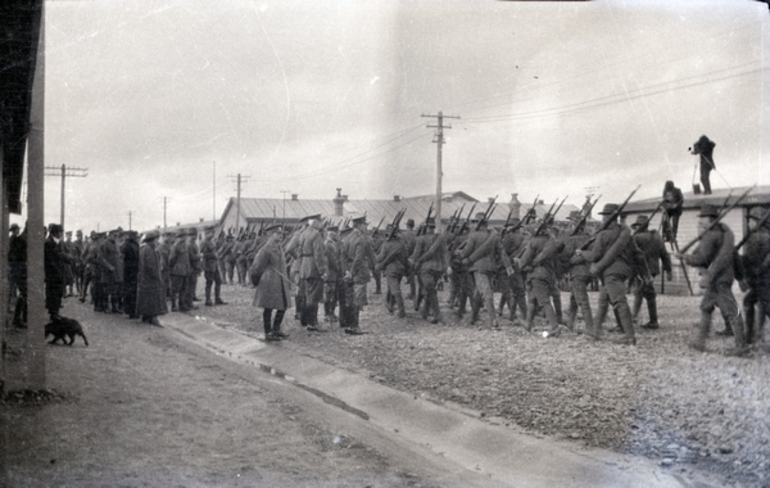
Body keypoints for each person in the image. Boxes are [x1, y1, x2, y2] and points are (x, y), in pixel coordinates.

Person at [674, 204, 748, 356]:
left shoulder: (710, 235)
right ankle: (700, 342)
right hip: (722, 278)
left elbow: (702, 258)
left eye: (703, 218)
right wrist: (740, 277)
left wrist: (685, 257)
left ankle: (742, 347)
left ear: (710, 220)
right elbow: (735, 257)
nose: (700, 221)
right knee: (706, 307)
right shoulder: (724, 235)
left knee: (732, 310)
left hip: (718, 279)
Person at [575, 203, 636, 345]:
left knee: (619, 301)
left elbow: (595, 256)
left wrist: (582, 253)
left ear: (607, 217)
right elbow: (636, 253)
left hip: (610, 272)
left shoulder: (603, 234)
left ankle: (629, 336)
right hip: (624, 270)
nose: (602, 220)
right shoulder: (625, 233)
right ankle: (595, 330)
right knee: (603, 300)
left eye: (604, 217)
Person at [459, 213, 513, 328]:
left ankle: (493, 320)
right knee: (479, 292)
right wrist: (508, 266)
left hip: (478, 267)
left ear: (477, 223)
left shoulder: (474, 236)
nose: (473, 224)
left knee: (486, 293)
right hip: (491, 268)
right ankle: (473, 318)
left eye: (474, 222)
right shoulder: (493, 236)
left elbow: (466, 252)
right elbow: (501, 252)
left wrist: (461, 255)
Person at [249, 224, 292, 341]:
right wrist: (256, 281)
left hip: (280, 282)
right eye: (277, 234)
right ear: (270, 235)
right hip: (269, 282)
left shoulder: (279, 247)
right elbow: (257, 267)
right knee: (268, 307)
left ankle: (276, 329)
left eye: (281, 234)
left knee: (283, 305)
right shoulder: (266, 249)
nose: (280, 236)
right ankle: (268, 332)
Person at [630, 215, 672, 329]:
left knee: (646, 293)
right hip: (652, 270)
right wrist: (668, 270)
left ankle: (652, 321)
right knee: (642, 292)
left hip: (641, 270)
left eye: (637, 226)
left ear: (640, 226)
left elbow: (631, 254)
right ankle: (635, 317)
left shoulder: (637, 238)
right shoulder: (657, 237)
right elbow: (665, 255)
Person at [737, 206, 770, 346]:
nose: (748, 223)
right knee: (751, 302)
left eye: (750, 220)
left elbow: (752, 259)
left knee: (759, 305)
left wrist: (738, 259)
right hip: (763, 278)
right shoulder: (766, 235)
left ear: (757, 221)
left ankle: (751, 337)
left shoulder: (756, 237)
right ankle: (752, 337)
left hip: (762, 279)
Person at [409, 217, 449, 324]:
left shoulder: (421, 239)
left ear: (425, 227)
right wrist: (447, 267)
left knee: (430, 291)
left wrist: (414, 262)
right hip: (438, 268)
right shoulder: (440, 238)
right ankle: (425, 311)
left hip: (425, 268)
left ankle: (437, 314)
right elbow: (445, 253)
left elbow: (416, 255)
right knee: (429, 289)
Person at [560, 211, 594, 334]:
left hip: (577, 272)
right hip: (588, 271)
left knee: (582, 300)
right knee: (574, 298)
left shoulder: (572, 239)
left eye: (572, 222)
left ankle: (591, 328)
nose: (570, 225)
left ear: (575, 224)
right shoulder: (590, 237)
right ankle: (570, 324)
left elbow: (565, 257)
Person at [297, 215, 328, 331]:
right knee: (314, 297)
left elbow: (299, 253)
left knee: (307, 295)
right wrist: (322, 271)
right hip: (313, 268)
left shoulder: (303, 234)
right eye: (320, 222)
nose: (321, 225)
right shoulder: (316, 235)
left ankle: (305, 321)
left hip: (305, 268)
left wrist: (302, 267)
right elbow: (318, 255)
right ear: (315, 223)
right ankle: (312, 323)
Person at [343, 216, 371, 334]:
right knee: (357, 299)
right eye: (365, 224)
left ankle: (349, 325)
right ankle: (355, 326)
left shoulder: (347, 238)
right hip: (358, 273)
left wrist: (347, 271)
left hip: (349, 272)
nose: (366, 227)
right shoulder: (361, 240)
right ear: (359, 226)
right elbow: (358, 259)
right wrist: (352, 272)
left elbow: (343, 257)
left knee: (349, 298)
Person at [375, 223, 409, 318]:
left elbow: (380, 257)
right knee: (392, 287)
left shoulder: (387, 244)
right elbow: (406, 256)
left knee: (395, 290)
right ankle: (390, 305)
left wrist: (375, 258)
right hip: (401, 269)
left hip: (391, 269)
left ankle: (401, 310)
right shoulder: (401, 243)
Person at [136, 230, 166, 326]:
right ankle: (153, 317)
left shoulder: (145, 249)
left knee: (146, 298)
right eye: (156, 240)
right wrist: (158, 277)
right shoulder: (149, 250)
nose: (157, 242)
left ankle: (146, 316)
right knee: (154, 298)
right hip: (150, 279)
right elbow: (151, 267)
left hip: (145, 279)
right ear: (151, 241)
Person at [44, 223, 70, 320]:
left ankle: (56, 312)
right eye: (60, 232)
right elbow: (49, 260)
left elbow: (64, 255)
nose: (62, 233)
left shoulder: (59, 243)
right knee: (52, 293)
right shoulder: (48, 243)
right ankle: (53, 313)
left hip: (59, 272)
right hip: (52, 273)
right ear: (55, 232)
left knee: (58, 292)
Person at [200, 226, 227, 306]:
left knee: (218, 281)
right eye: (212, 232)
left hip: (214, 265)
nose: (213, 234)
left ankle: (217, 298)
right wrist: (213, 255)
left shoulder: (211, 242)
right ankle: (208, 300)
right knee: (209, 283)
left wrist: (216, 254)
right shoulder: (204, 242)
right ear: (207, 233)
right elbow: (202, 254)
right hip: (208, 265)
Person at [9, 223, 27, 328]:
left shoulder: (13, 239)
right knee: (23, 293)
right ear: (13, 230)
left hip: (16, 269)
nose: (17, 231)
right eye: (16, 230)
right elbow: (13, 257)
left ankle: (18, 318)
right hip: (16, 269)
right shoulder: (14, 241)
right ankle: (17, 319)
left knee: (22, 293)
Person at [168, 230, 191, 312]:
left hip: (184, 271)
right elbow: (171, 259)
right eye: (184, 236)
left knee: (183, 289)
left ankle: (182, 305)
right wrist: (172, 269)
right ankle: (174, 306)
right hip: (177, 271)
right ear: (180, 237)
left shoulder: (184, 246)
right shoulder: (175, 246)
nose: (185, 237)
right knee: (174, 289)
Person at [121, 230, 141, 319]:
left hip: (134, 269)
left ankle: (133, 310)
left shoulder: (134, 244)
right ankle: (130, 311)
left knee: (133, 290)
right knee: (130, 291)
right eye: (135, 235)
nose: (136, 237)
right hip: (129, 270)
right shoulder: (127, 245)